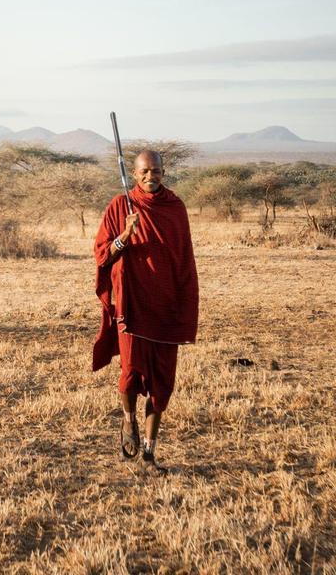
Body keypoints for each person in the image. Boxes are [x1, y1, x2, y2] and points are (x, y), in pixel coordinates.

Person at [92, 150, 199, 475]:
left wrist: (184, 303)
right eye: (144, 171)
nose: (150, 176)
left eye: (156, 171)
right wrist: (125, 235)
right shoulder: (120, 206)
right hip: (133, 306)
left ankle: (150, 454)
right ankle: (129, 421)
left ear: (164, 172)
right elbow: (103, 256)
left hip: (165, 308)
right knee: (129, 374)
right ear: (134, 173)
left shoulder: (175, 207)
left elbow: (184, 259)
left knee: (162, 384)